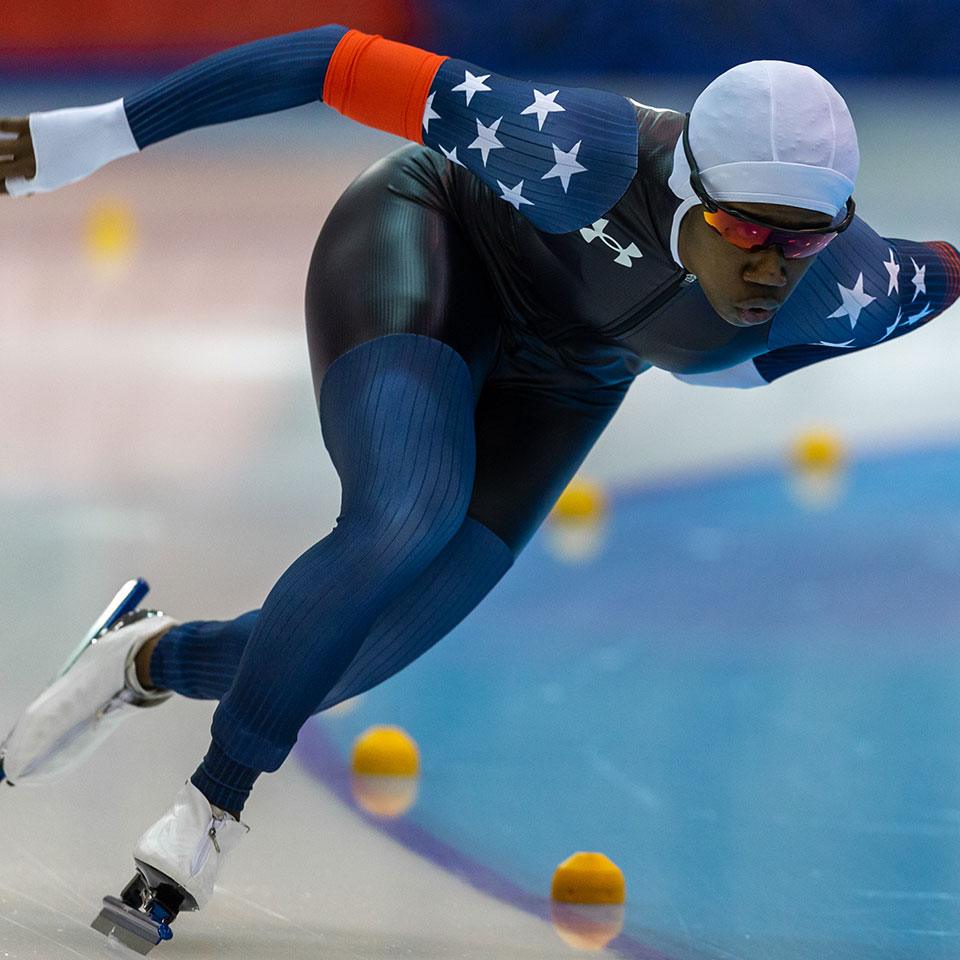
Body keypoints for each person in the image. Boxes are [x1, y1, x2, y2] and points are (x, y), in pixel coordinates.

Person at [1, 24, 958, 929]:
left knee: (361, 653)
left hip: (572, 380)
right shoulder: (581, 154)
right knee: (405, 515)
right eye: (748, 230)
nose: (775, 268)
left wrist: (759, 310)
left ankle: (144, 658)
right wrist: (82, 139)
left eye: (806, 239)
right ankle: (211, 809)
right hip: (433, 245)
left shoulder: (854, 289)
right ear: (684, 185)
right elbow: (332, 60)